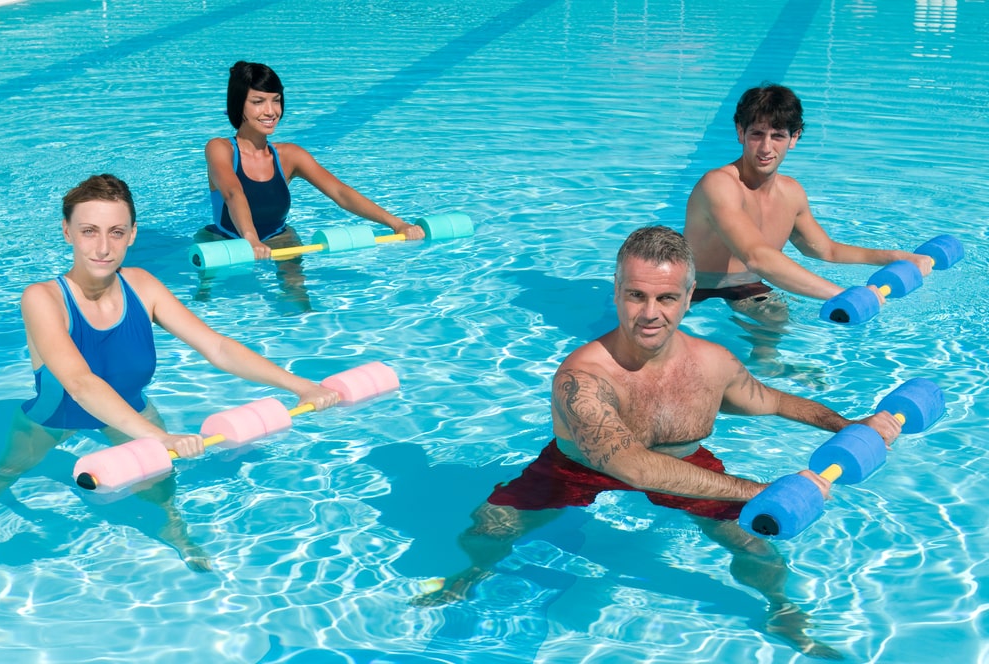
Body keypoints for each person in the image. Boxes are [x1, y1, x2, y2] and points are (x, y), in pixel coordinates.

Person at [414, 226, 901, 659]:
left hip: (682, 460)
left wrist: (848, 426)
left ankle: (781, 609)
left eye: (666, 298)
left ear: (690, 296)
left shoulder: (712, 363)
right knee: (486, 529)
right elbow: (635, 467)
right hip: (577, 466)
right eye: (636, 296)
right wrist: (758, 490)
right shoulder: (583, 377)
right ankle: (471, 575)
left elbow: (768, 400)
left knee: (754, 541)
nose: (650, 313)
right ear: (617, 293)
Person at [0, 174, 340, 570]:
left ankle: (177, 535)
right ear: (67, 232)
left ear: (132, 235)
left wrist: (301, 385)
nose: (103, 247)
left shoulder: (142, 286)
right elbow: (79, 382)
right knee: (4, 473)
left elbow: (217, 346)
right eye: (89, 231)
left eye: (116, 232)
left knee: (160, 484)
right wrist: (159, 436)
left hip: (129, 408)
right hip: (54, 415)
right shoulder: (41, 297)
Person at [683, 83, 933, 324]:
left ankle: (769, 365)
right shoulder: (719, 184)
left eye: (778, 136)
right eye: (757, 134)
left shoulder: (791, 193)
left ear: (794, 138)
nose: (766, 147)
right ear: (740, 132)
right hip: (693, 289)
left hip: (747, 286)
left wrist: (896, 257)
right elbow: (756, 258)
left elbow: (825, 250)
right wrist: (842, 294)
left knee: (777, 318)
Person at [198, 60, 423, 262]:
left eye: (276, 101)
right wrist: (251, 239)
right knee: (205, 300)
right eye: (258, 101)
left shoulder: (290, 156)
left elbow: (340, 192)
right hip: (222, 241)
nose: (271, 111)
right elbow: (233, 192)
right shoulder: (220, 148)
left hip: (280, 240)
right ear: (239, 105)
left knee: (298, 298)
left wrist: (397, 223)